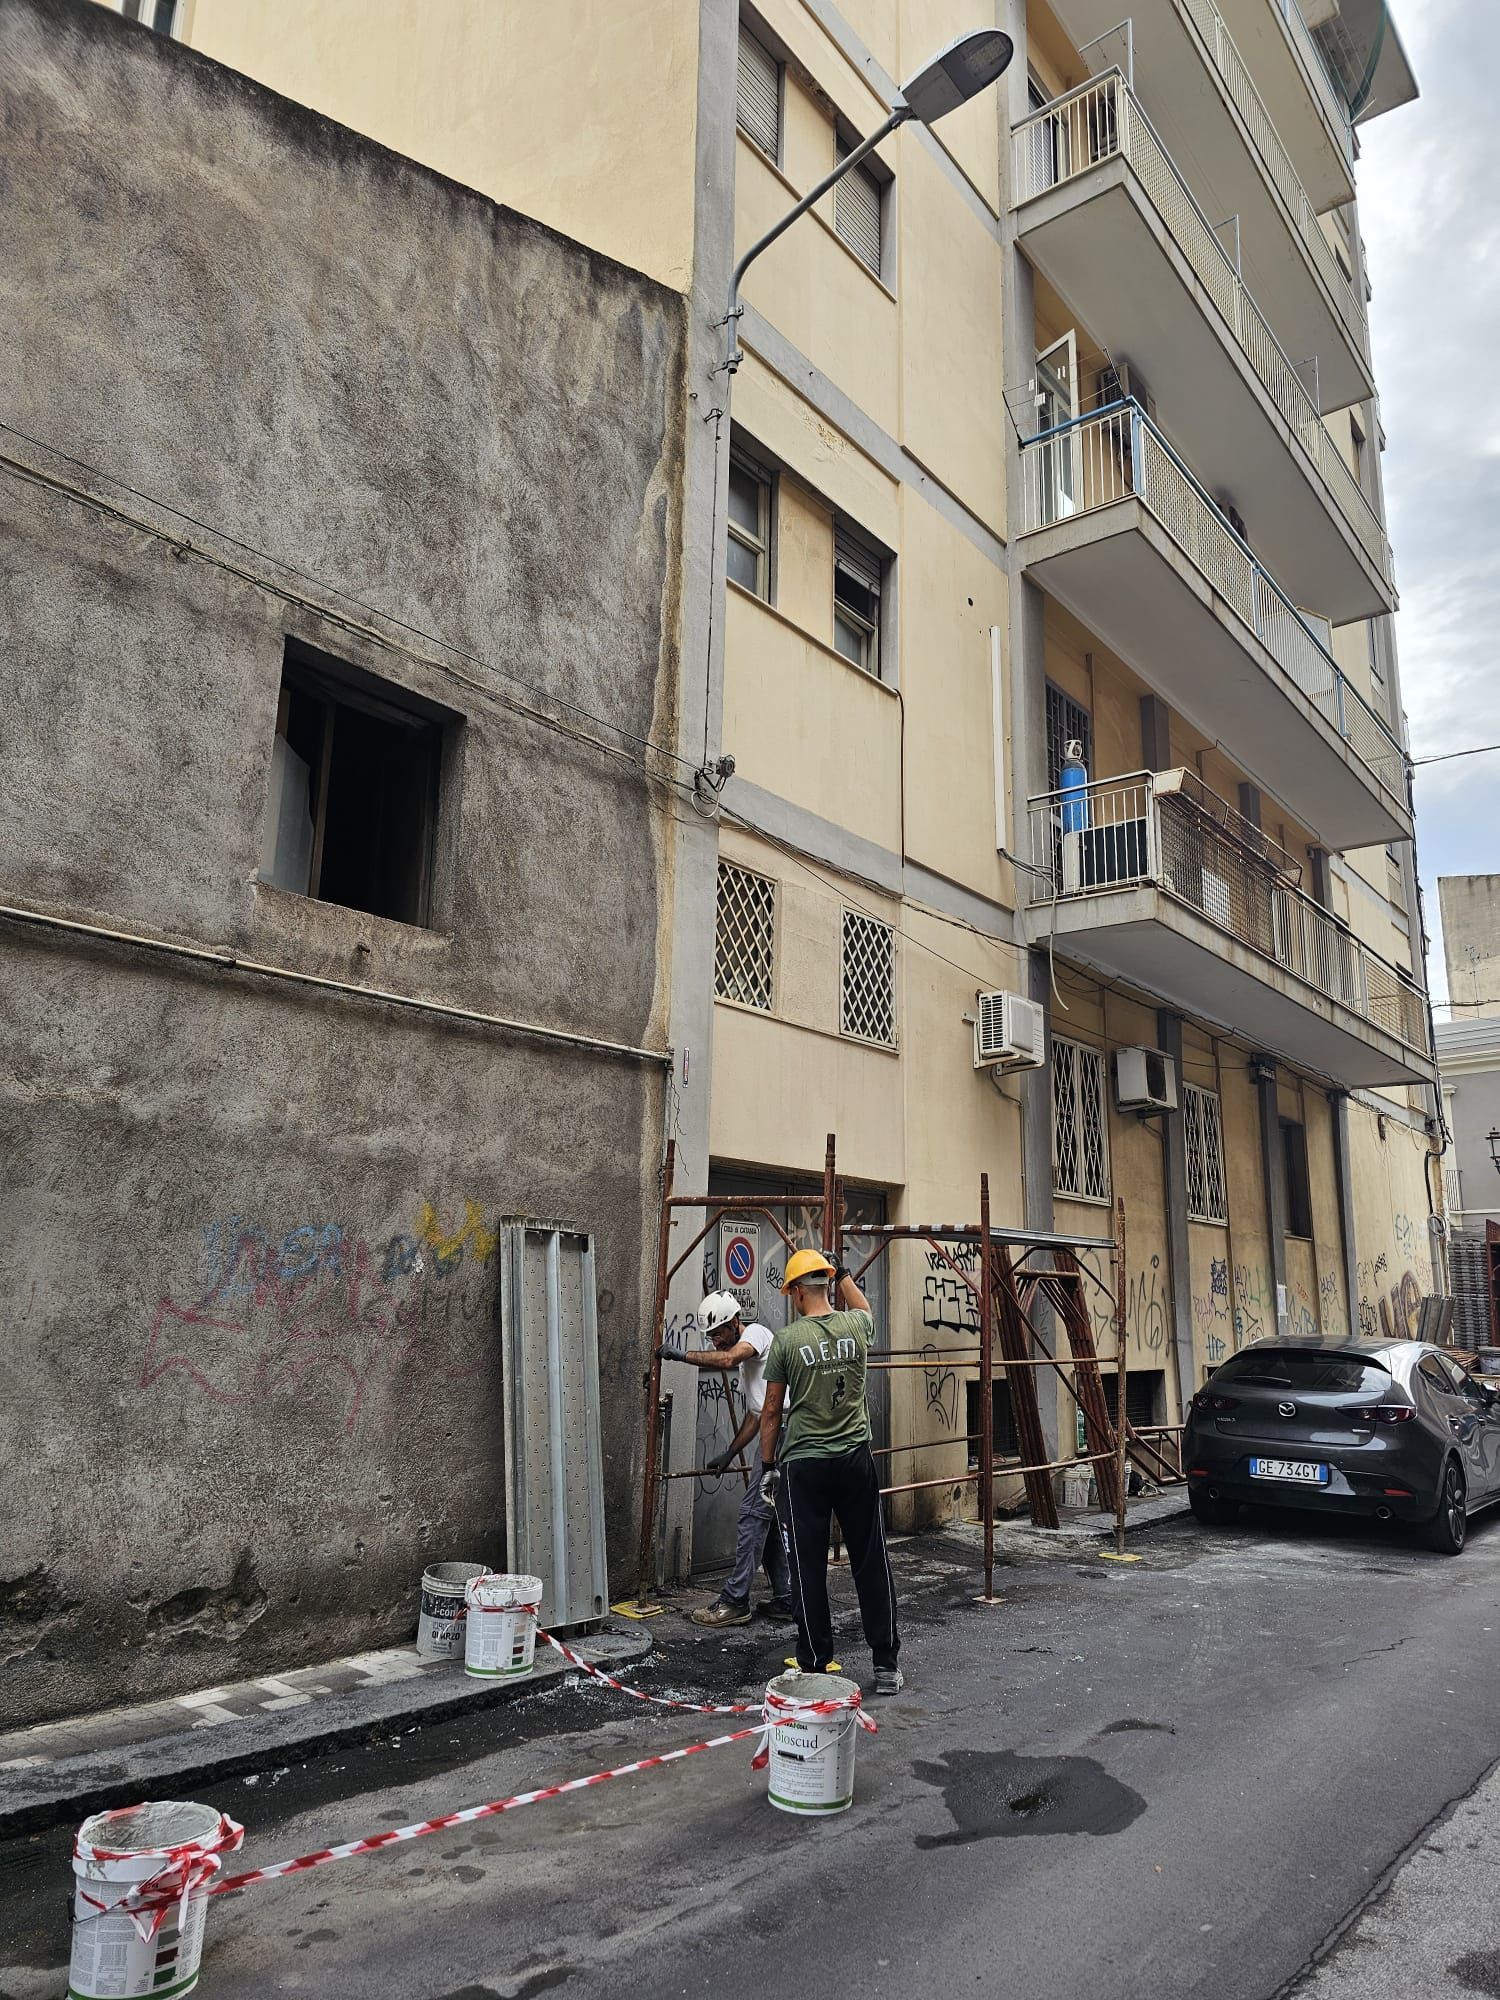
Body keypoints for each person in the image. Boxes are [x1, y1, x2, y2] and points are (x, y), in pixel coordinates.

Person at [759, 1249, 902, 1696]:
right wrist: (842, 1273)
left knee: (807, 1566)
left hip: (805, 1465)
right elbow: (863, 1307)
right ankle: (885, 1664)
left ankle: (817, 1664)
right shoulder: (855, 1327)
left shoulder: (786, 1341)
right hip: (855, 1458)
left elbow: (770, 1414)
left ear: (798, 1292)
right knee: (870, 1558)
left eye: (792, 1292)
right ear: (826, 1286)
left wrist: (767, 1467)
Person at [656, 1292, 794, 1628]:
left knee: (752, 1514)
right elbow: (756, 1414)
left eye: (719, 1333)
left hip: (783, 1433)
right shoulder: (751, 1365)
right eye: (712, 1335)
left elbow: (730, 1360)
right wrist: (731, 1452)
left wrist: (681, 1355)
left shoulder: (756, 1335)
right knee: (769, 1518)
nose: (716, 1340)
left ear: (735, 1323)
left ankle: (735, 1602)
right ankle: (788, 1597)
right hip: (775, 1430)